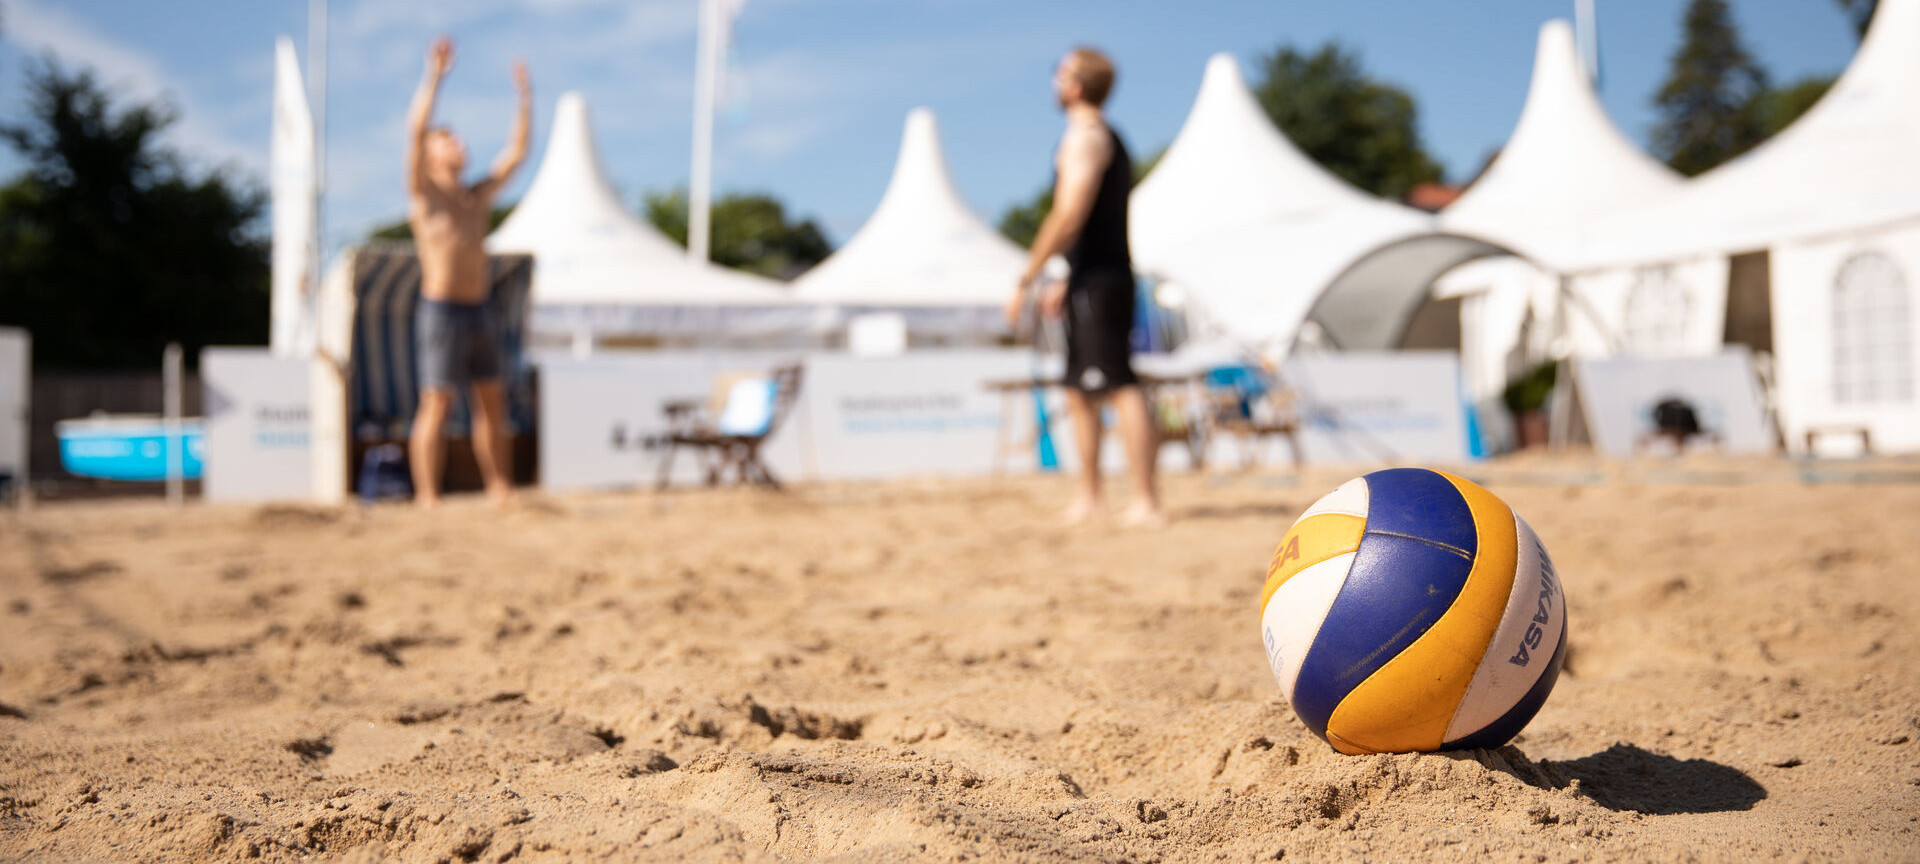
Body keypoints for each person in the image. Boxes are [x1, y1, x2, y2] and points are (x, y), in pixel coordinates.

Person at [1004, 47, 1163, 527]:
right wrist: (1063, 278)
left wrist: (1028, 277)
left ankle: (1146, 502)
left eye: (1061, 71)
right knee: (1077, 390)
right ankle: (1090, 498)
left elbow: (1070, 213)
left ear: (1075, 85)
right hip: (1087, 277)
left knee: (1120, 385)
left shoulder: (1087, 136)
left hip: (1102, 277)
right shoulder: (1095, 134)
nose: (1054, 78)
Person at [405, 36, 530, 508]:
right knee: (436, 403)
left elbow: (516, 153)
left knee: (492, 402)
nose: (459, 144)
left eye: (456, 138)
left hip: (479, 307)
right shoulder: (424, 193)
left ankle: (500, 487)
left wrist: (524, 97)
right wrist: (435, 76)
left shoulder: (475, 197)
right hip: (440, 310)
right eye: (448, 139)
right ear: (432, 155)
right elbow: (415, 132)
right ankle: (428, 495)